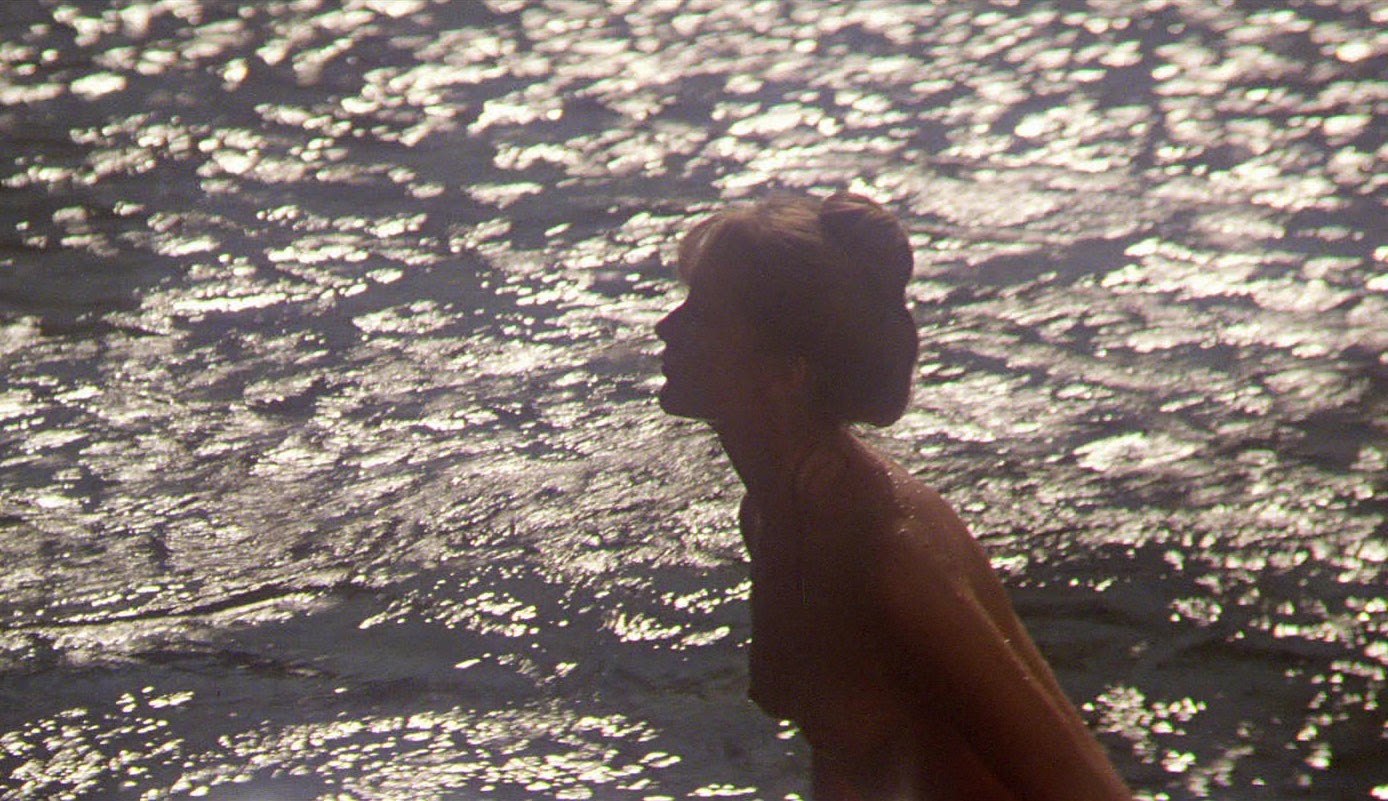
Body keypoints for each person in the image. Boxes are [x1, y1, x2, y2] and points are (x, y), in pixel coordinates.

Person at [654, 192, 1134, 801]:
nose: (665, 326)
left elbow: (1083, 788)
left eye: (702, 314)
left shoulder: (883, 551)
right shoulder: (779, 511)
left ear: (788, 368)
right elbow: (829, 741)